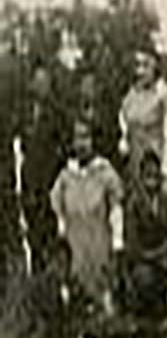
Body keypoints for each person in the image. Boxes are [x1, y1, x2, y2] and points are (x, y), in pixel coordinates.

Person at [50, 118, 125, 317]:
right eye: (77, 138)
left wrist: (117, 243)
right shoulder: (65, 176)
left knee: (104, 297)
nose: (81, 144)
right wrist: (62, 233)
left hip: (99, 242)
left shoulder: (105, 173)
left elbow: (116, 209)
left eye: (86, 137)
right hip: (75, 245)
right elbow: (57, 209)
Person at [16, 62, 67, 273]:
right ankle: (36, 276)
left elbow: (63, 151)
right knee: (33, 238)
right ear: (31, 84)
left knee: (50, 238)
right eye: (38, 82)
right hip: (29, 184)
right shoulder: (23, 113)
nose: (42, 86)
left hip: (50, 185)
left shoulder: (58, 114)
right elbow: (19, 149)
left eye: (46, 82)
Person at [0, 238, 73, 338]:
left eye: (67, 264)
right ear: (51, 262)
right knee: (42, 325)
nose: (64, 269)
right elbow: (48, 316)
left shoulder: (64, 285)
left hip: (38, 332)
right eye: (60, 263)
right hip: (30, 332)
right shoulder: (45, 284)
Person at [123, 150, 167, 321]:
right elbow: (133, 246)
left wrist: (165, 253)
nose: (152, 179)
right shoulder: (134, 204)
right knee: (144, 277)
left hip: (165, 259)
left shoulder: (166, 201)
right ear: (141, 176)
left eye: (155, 174)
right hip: (144, 261)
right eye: (148, 174)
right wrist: (154, 256)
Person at [118, 45, 167, 186]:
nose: (141, 71)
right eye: (138, 65)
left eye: (146, 66)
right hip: (134, 161)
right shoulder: (131, 95)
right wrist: (125, 143)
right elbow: (125, 123)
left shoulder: (163, 95)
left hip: (155, 163)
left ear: (155, 68)